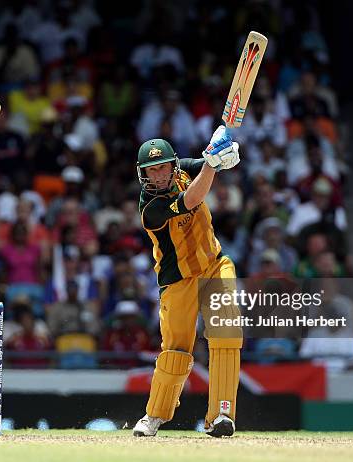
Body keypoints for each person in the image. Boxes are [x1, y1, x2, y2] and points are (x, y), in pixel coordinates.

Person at [132, 127, 242, 438]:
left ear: (173, 166)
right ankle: (154, 415)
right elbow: (193, 197)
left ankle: (221, 414)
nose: (159, 175)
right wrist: (212, 163)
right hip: (177, 280)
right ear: (144, 175)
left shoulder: (184, 170)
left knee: (226, 333)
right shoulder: (149, 208)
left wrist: (223, 154)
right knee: (176, 350)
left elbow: (208, 164)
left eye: (163, 167)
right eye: (151, 171)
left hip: (214, 265)